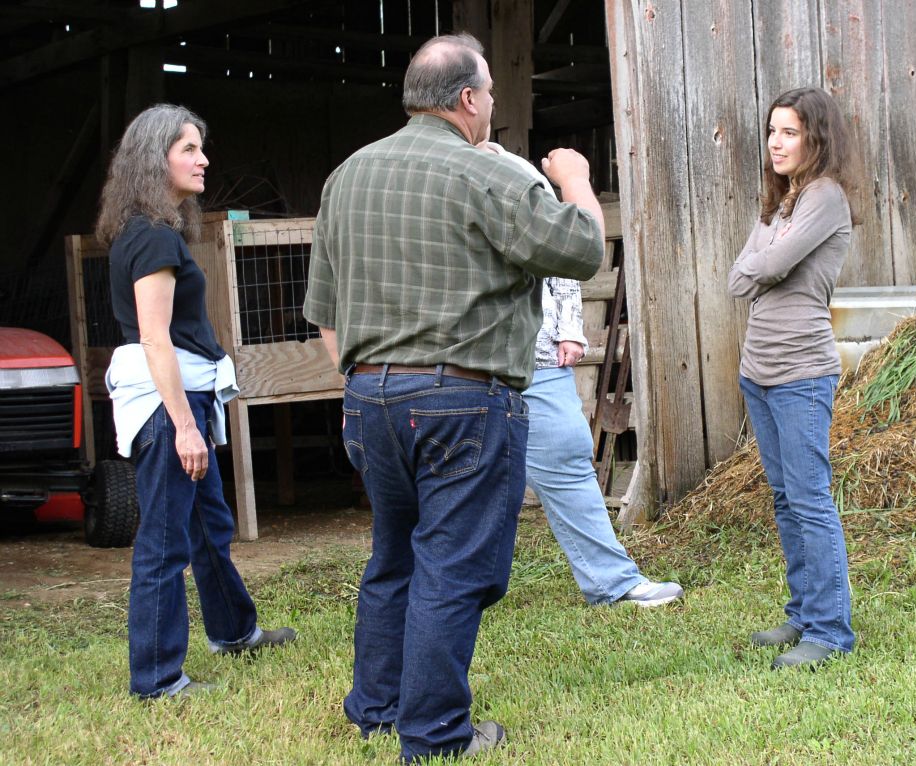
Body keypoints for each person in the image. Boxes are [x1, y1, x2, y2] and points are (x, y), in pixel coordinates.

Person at [303, 33, 604, 763]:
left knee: (393, 556)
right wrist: (576, 181)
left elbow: (324, 311)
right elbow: (583, 250)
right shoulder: (484, 174)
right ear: (467, 100)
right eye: (492, 94)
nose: (494, 108)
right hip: (461, 401)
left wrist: (364, 381)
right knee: (453, 566)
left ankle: (375, 709)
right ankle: (434, 733)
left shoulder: (346, 175)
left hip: (368, 396)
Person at [97, 104, 296, 699]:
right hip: (168, 407)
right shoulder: (153, 239)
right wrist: (185, 427)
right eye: (188, 148)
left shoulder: (147, 230)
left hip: (181, 400)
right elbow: (155, 338)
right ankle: (157, 679)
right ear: (155, 159)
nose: (203, 159)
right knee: (163, 541)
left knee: (209, 526)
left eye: (199, 147)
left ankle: (234, 631)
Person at [482, 141, 682, 608]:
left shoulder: (519, 178)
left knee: (569, 460)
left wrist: (568, 328)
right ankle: (456, 591)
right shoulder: (445, 184)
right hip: (467, 362)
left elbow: (565, 261)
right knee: (467, 475)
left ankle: (613, 582)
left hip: (536, 355)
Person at [727, 87, 858, 669]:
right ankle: (805, 613)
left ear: (815, 138)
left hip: (801, 372)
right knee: (785, 499)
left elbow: (767, 266)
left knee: (809, 501)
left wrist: (762, 263)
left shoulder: (826, 197)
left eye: (789, 132)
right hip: (759, 370)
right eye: (772, 132)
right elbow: (739, 278)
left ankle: (830, 633)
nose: (776, 143)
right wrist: (760, 264)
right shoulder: (783, 203)